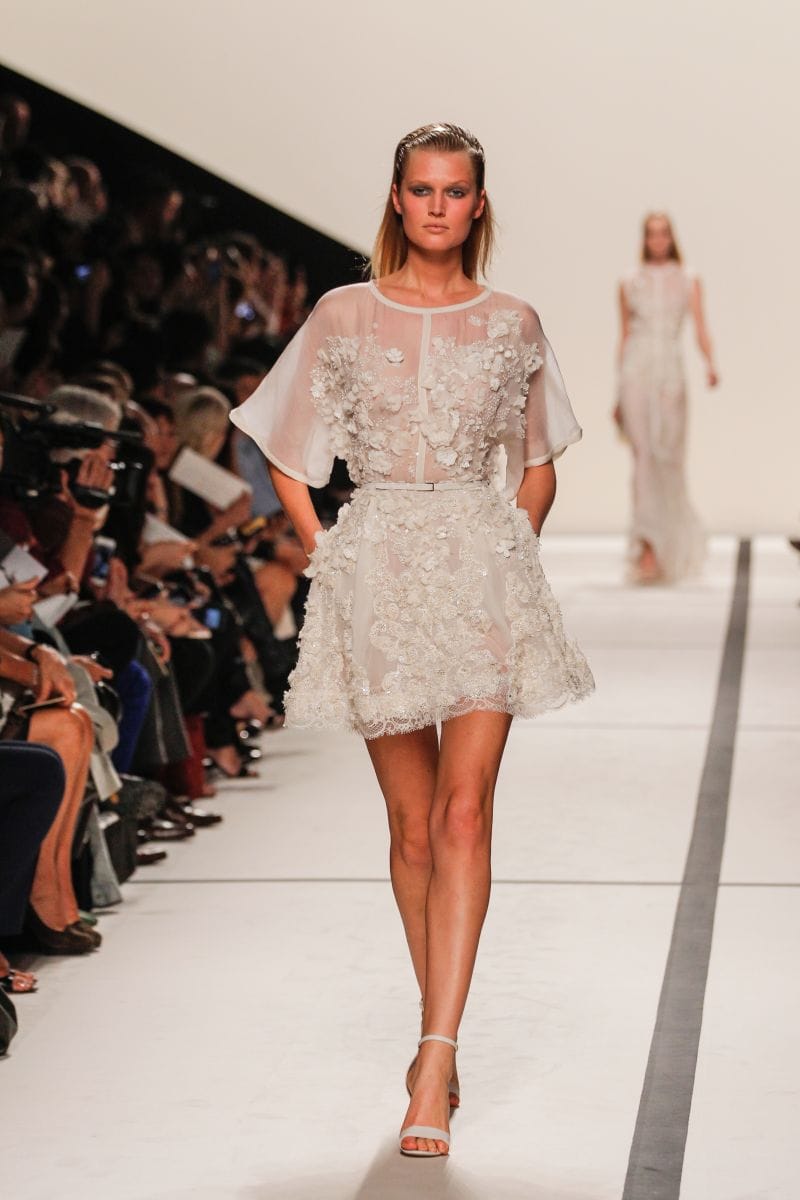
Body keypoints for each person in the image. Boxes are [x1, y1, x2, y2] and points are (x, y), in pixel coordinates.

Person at [230, 122, 594, 1158]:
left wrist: (512, 547)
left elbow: (537, 459)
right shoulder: (341, 314)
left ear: (478, 205)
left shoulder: (513, 322)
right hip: (378, 567)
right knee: (409, 827)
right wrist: (327, 554)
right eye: (422, 190)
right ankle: (438, 1017)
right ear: (397, 199)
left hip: (481, 570)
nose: (438, 206)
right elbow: (285, 450)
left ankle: (434, 1056)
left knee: (464, 813)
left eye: (455, 191)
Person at [614, 212, 719, 584]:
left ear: (671, 237)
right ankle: (647, 547)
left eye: (663, 233)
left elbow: (700, 327)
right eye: (651, 234)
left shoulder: (689, 279)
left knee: (669, 457)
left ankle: (673, 547)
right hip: (636, 372)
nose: (658, 240)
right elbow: (624, 336)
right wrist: (617, 392)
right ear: (644, 239)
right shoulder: (629, 282)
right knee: (642, 457)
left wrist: (710, 363)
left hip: (670, 372)